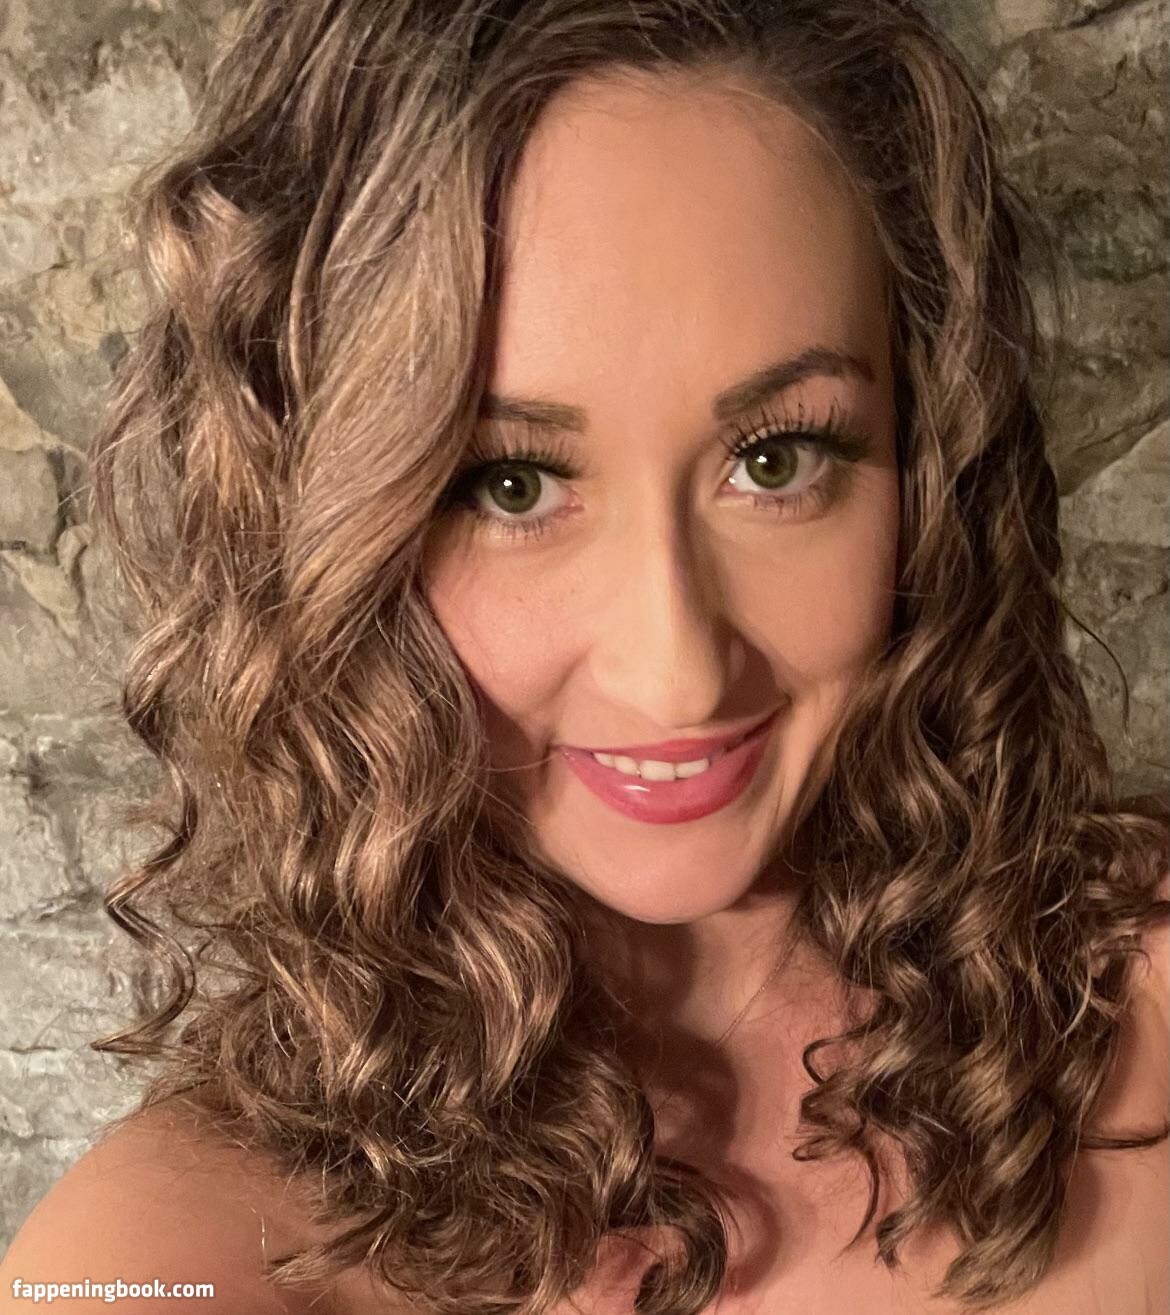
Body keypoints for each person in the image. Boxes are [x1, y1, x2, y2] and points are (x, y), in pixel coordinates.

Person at [2, 1, 1167, 1312]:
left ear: (924, 469)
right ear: (317, 529)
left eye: (775, 460)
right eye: (510, 484)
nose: (677, 675)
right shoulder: (166, 1260)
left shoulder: (1136, 1008)